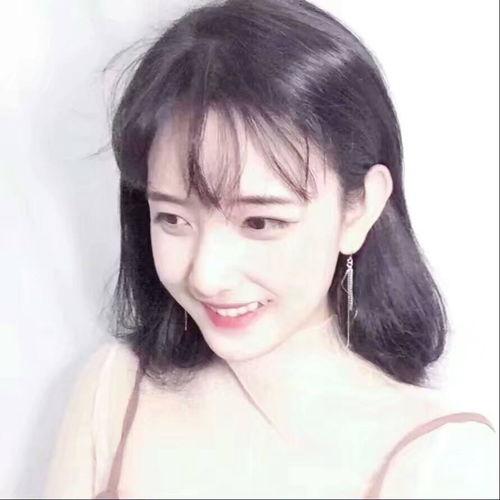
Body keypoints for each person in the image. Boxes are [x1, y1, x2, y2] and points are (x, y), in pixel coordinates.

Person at [44, 0, 498, 498]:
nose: (207, 274)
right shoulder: (116, 389)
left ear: (360, 209)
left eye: (259, 222)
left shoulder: (441, 461)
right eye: (173, 218)